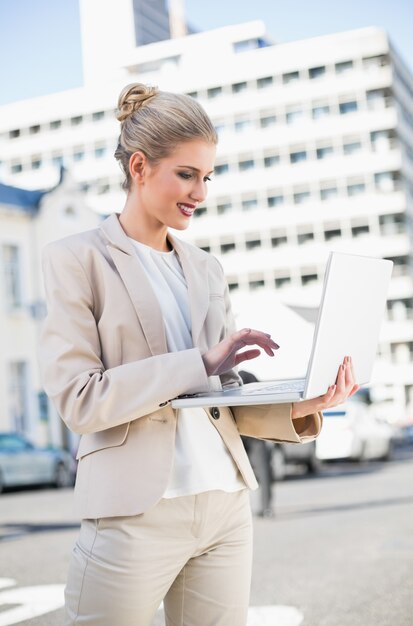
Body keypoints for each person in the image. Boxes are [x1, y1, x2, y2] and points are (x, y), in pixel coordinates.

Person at [38, 83, 359, 626]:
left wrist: (307, 402)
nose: (201, 193)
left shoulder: (206, 268)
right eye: (186, 175)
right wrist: (203, 361)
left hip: (225, 506)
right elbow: (79, 401)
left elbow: (221, 401)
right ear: (139, 167)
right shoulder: (76, 260)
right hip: (133, 513)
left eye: (206, 177)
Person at [239, 370, 274, 518]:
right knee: (263, 472)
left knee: (237, 475)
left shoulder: (235, 377)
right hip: (254, 433)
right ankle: (266, 508)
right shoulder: (249, 377)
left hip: (238, 434)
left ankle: (242, 511)